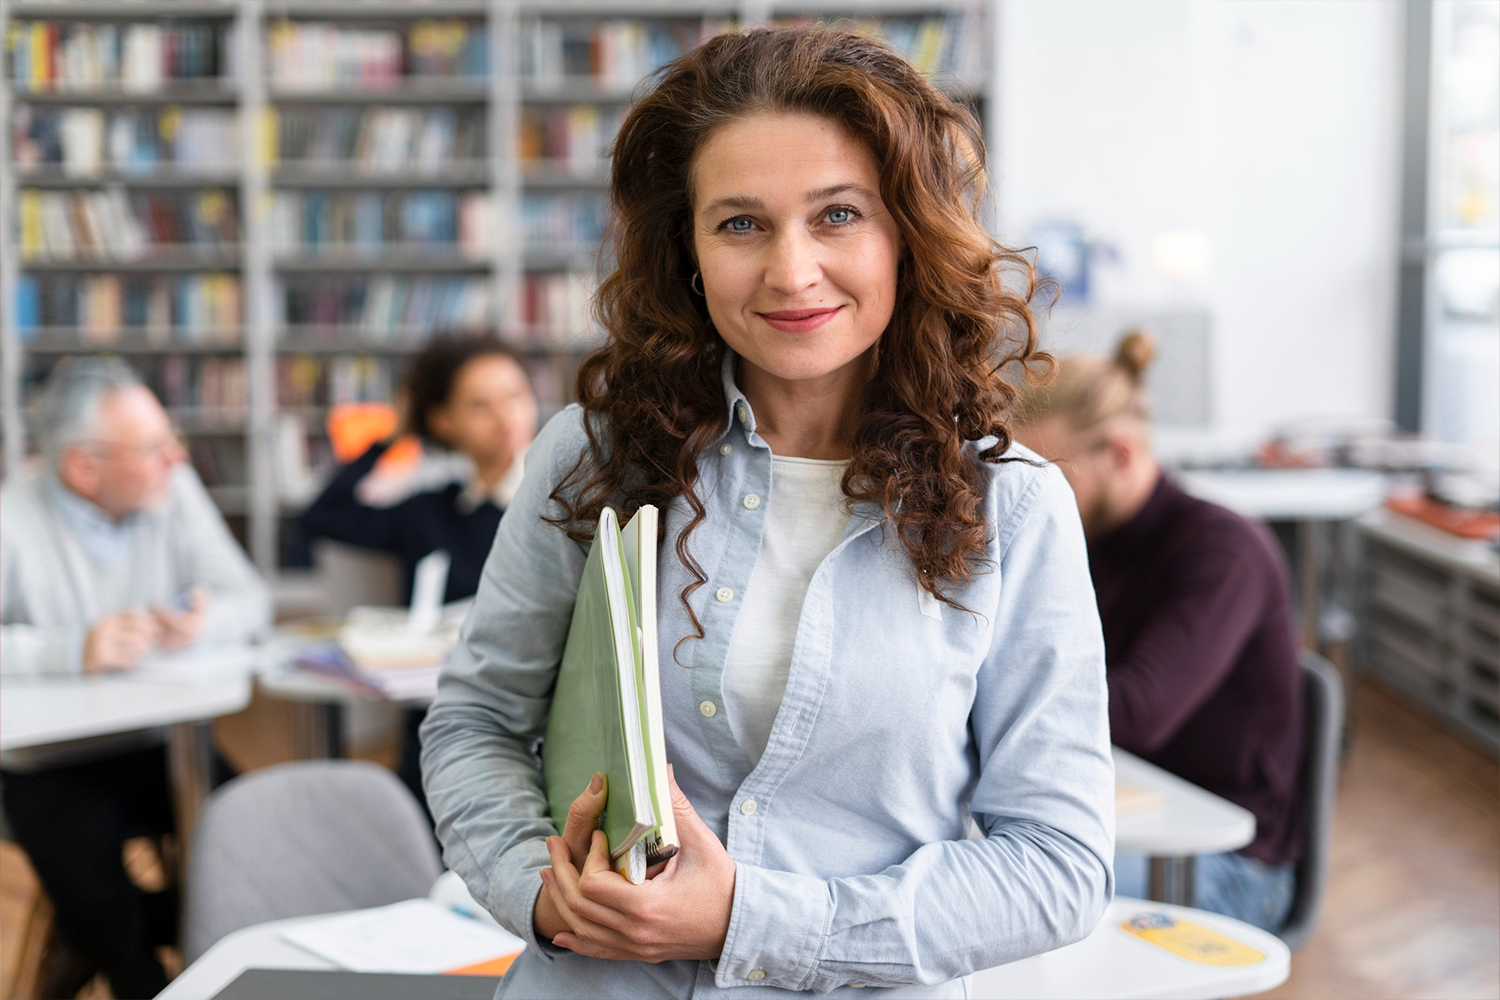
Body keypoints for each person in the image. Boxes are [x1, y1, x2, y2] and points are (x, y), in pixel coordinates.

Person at [421, 27, 1114, 998]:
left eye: (839, 215)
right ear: (690, 252)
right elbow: (476, 722)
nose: (791, 271)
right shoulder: (593, 455)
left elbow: (1058, 866)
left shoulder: (1018, 507)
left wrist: (750, 920)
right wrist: (541, 891)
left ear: (907, 235)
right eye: (741, 224)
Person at [1014, 331, 1305, 932]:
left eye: (1048, 476)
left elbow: (1137, 711)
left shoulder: (1225, 552)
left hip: (1227, 862)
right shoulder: (1083, 538)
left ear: (1120, 454)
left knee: (1015, 899)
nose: (1028, 498)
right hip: (1113, 813)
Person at [0, 356, 272, 999]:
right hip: (48, 764)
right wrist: (71, 650)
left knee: (258, 845)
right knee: (109, 920)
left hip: (162, 748)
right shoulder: (13, 519)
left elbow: (250, 599)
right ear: (82, 468)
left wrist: (202, 623)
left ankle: (102, 940)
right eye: (152, 448)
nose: (176, 456)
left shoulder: (172, 490)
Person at [300, 335, 539, 810]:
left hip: (526, 730)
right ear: (442, 421)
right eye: (480, 405)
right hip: (437, 727)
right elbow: (321, 516)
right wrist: (394, 435)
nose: (505, 416)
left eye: (515, 395)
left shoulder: (558, 506)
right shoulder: (429, 512)